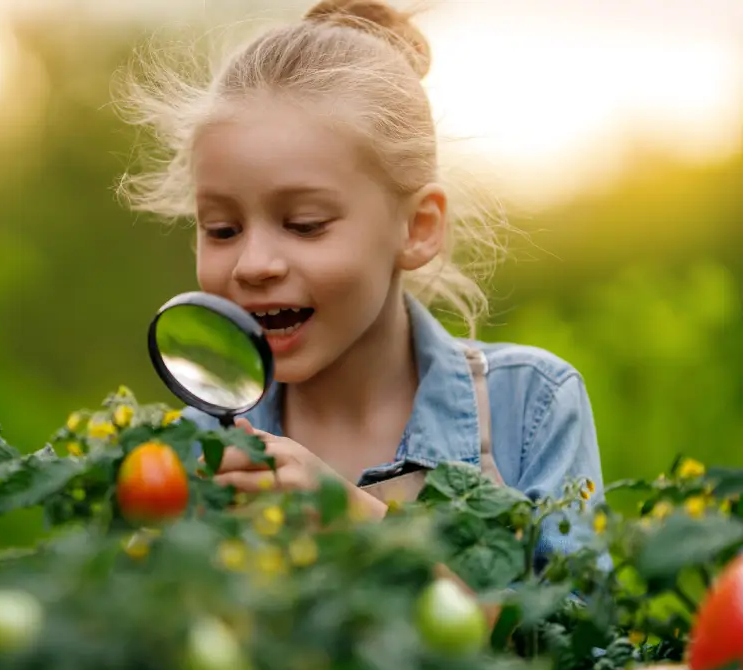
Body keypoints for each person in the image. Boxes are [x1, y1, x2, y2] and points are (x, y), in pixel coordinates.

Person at [114, 0, 605, 588]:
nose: (254, 264)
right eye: (222, 229)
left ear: (418, 228)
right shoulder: (192, 446)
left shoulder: (530, 408)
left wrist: (360, 527)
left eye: (305, 224)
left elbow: (572, 652)